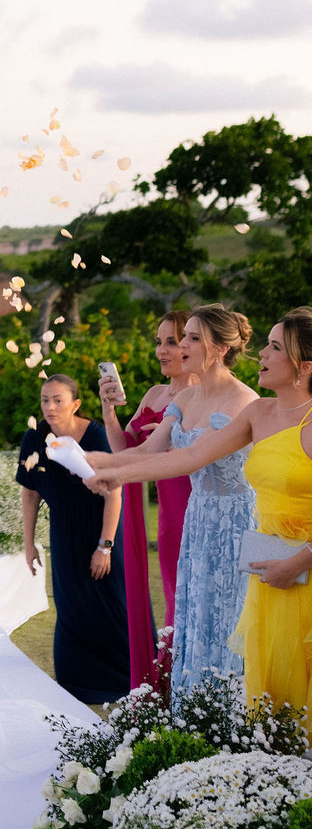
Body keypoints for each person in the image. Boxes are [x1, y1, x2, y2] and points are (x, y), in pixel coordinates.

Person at [86, 308, 312, 720]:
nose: (262, 353)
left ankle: (246, 731)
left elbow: (188, 458)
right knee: (214, 631)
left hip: (265, 542)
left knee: (262, 644)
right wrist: (103, 465)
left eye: (275, 347)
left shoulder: (257, 405)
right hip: (225, 536)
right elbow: (181, 456)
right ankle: (205, 728)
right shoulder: (235, 408)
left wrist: (109, 469)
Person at [84, 305, 256, 692]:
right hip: (198, 520)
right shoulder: (187, 398)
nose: (182, 347)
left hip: (234, 525)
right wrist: (94, 461)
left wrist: (113, 473)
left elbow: (188, 459)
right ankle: (190, 710)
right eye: (183, 338)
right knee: (189, 616)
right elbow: (148, 450)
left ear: (221, 348)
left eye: (192, 338)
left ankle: (228, 714)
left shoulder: (243, 401)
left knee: (225, 620)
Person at [17, 374, 130, 704]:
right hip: (64, 532)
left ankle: (124, 679)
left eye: (58, 400)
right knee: (70, 606)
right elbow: (30, 493)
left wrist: (104, 547)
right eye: (45, 400)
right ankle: (75, 682)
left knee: (111, 604)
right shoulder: (34, 437)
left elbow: (115, 493)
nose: (50, 407)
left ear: (75, 404)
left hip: (102, 529)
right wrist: (28, 543)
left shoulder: (96, 435)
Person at [98, 310, 194, 684]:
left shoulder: (203, 397)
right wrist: (108, 412)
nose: (161, 350)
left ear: (193, 344)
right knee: (171, 599)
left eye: (172, 341)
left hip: (194, 511)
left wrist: (174, 440)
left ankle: (185, 688)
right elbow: (125, 448)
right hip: (167, 521)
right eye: (159, 342)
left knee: (186, 604)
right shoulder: (155, 394)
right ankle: (167, 689)